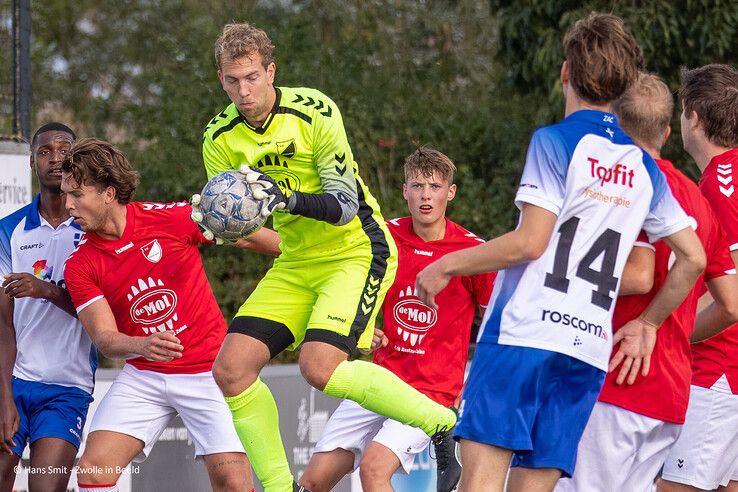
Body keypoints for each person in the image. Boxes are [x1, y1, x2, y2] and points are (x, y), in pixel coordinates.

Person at [415, 13, 706, 492]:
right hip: (585, 350)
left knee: (480, 483)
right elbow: (692, 257)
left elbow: (531, 242)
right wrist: (649, 322)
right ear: (625, 84)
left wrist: (446, 263)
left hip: (524, 335)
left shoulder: (555, 141)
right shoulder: (645, 168)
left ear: (565, 73)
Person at [198, 22, 456, 492]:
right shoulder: (218, 136)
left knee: (318, 368)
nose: (244, 90)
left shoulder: (314, 111)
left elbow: (341, 208)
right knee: (230, 369)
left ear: (271, 71)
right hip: (297, 261)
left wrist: (282, 197)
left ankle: (441, 422)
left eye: (253, 76)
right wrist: (219, 224)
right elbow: (242, 228)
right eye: (233, 80)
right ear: (220, 79)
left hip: (356, 249)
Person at [60, 138, 276, 492]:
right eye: (65, 194)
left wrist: (297, 257)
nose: (68, 204)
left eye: (77, 195)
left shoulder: (171, 218)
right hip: (144, 376)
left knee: (233, 483)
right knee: (93, 471)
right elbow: (105, 339)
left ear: (108, 193)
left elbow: (246, 237)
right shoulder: (80, 264)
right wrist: (141, 344)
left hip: (209, 370)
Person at [558, 72, 738, 492]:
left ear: (691, 118)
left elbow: (728, 300)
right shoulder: (700, 190)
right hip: (683, 384)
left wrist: (663, 327)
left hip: (696, 374)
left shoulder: (709, 184)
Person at [299, 148, 495, 492]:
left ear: (451, 192)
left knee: (373, 471)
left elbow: (497, 320)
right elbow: (346, 281)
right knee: (312, 482)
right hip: (378, 384)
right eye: (417, 186)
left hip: (430, 393)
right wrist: (363, 326)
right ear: (404, 190)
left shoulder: (472, 252)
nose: (425, 195)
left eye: (435, 187)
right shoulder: (382, 236)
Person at [0, 123, 94, 492]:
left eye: (64, 149)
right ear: (31, 161)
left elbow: (102, 315)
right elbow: (3, 324)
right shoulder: (9, 231)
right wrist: (4, 393)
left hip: (67, 388)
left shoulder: (93, 228)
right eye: (44, 151)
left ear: (77, 157)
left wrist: (46, 291)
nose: (55, 158)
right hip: (16, 381)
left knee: (46, 487)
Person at [660, 63, 738, 492]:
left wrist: (669, 334)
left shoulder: (719, 185)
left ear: (693, 116)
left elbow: (732, 300)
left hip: (717, 374)